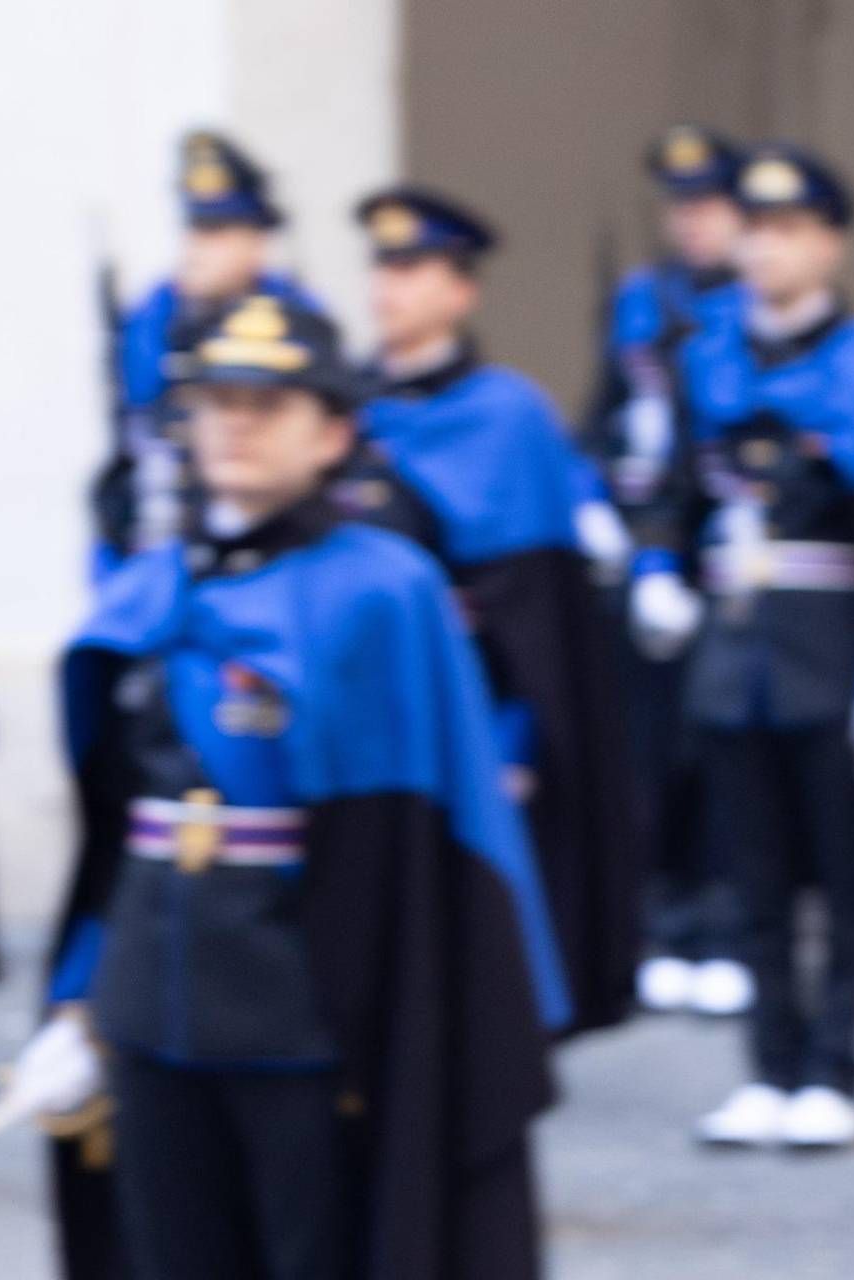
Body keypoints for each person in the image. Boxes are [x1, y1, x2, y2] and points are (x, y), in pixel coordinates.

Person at [19, 294, 568, 1280]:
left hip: (304, 1014)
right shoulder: (147, 586)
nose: (235, 425)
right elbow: (114, 835)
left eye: (268, 406)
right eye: (217, 402)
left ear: (333, 435)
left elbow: (430, 837)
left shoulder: (384, 590)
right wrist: (77, 1001)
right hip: (149, 1003)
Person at [632, 144, 854, 1149]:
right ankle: (767, 1067)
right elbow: (674, 496)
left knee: (842, 879)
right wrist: (657, 570)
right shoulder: (705, 355)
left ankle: (833, 1069)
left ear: (831, 242)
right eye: (754, 228)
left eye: (789, 229)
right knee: (751, 875)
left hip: (832, 652)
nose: (765, 248)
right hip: (734, 653)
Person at [329, 185, 639, 1033]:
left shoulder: (506, 416)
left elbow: (537, 625)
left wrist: (515, 744)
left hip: (468, 714)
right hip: (355, 711)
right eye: (382, 268)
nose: (388, 288)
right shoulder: (336, 410)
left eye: (413, 269)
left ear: (461, 289)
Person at [586, 124, 752, 1017]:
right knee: (649, 755)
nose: (693, 222)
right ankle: (665, 922)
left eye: (710, 205)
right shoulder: (642, 300)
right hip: (643, 553)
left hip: (724, 560)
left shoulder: (752, 310)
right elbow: (603, 415)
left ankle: (725, 926)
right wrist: (592, 503)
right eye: (680, 205)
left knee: (721, 754)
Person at [92, 130, 321, 571]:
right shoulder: (150, 322)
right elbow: (133, 445)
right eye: (192, 229)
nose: (195, 248)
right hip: (161, 548)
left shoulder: (299, 323)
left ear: (257, 241)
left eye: (216, 232)